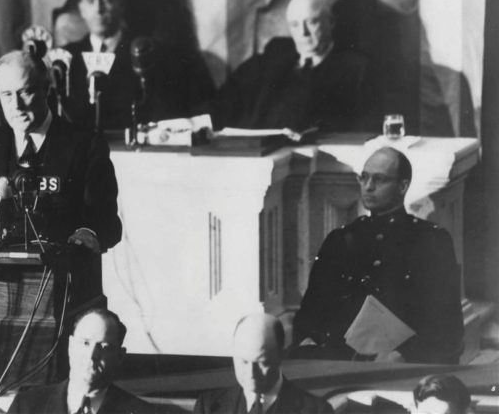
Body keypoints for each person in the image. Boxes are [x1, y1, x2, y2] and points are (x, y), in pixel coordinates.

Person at [0, 49, 121, 313]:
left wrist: (88, 234)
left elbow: (108, 223)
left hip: (66, 290)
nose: (16, 105)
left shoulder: (86, 144)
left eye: (25, 92)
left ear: (46, 88)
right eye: (6, 95)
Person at [291, 147, 463, 364]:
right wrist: (309, 343)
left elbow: (448, 328)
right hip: (340, 362)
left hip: (400, 366)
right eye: (364, 177)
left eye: (379, 179)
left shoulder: (431, 241)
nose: (368, 186)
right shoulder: (340, 241)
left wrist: (404, 356)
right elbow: (310, 313)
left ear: (403, 186)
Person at [62, 0, 215, 131]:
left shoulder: (151, 55)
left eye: (106, 0)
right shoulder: (66, 58)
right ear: (81, 9)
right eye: (90, 1)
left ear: (120, 4)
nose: (99, 9)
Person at [213, 0, 374, 133]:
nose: (303, 33)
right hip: (259, 151)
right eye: (295, 25)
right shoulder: (272, 57)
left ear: (331, 22)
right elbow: (227, 99)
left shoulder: (357, 67)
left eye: (312, 22)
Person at [7, 308, 152, 414]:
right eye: (85, 343)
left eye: (103, 347)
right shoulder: (26, 407)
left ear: (119, 356)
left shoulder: (142, 412)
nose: (91, 355)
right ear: (71, 346)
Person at [194, 313, 333, 414]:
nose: (251, 374)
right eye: (243, 361)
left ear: (281, 355)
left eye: (262, 362)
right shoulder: (207, 407)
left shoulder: (317, 411)